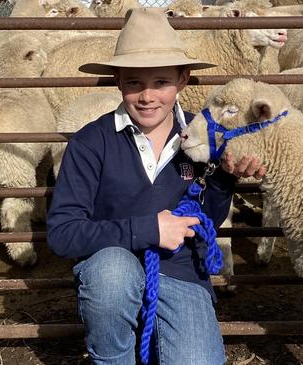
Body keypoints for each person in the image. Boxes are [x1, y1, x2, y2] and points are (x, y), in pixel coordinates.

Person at [46, 7, 265, 365]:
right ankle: (114, 358)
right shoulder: (91, 142)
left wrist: (226, 177)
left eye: (161, 82)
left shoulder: (203, 136)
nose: (147, 96)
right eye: (134, 82)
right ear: (118, 80)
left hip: (181, 269)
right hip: (112, 269)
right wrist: (149, 229)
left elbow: (207, 216)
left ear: (183, 79)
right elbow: (62, 233)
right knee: (112, 274)